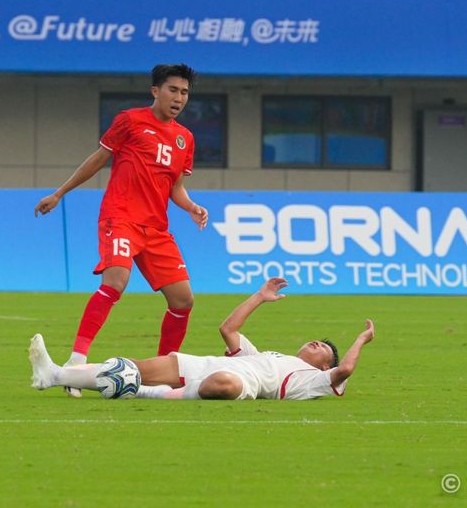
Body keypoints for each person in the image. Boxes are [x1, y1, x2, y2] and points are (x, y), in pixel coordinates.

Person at [34, 64, 207, 397]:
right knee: (115, 281)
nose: (179, 98)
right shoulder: (130, 120)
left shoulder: (186, 139)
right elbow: (99, 159)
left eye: (184, 92)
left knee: (183, 300)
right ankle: (75, 362)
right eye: (173, 90)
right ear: (156, 91)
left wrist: (192, 207)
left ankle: (163, 370)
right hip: (121, 216)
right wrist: (59, 193)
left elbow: (176, 188)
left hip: (156, 229)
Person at [29, 278, 377, 401]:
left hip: (241, 383)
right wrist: (258, 297)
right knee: (132, 367)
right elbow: (228, 330)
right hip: (209, 365)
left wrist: (361, 338)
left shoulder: (313, 381)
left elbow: (345, 369)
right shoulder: (267, 353)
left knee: (223, 382)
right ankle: (54, 375)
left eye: (324, 350)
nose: (318, 344)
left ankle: (150, 394)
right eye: (316, 341)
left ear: (324, 366)